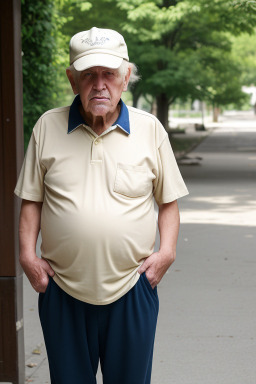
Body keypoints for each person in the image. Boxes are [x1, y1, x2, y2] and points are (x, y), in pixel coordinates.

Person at [15, 27, 188, 384]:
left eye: (109, 74)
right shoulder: (47, 126)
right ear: (72, 79)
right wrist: (28, 258)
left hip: (132, 287)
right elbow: (32, 201)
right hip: (61, 289)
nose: (99, 84)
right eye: (88, 75)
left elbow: (168, 203)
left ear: (126, 77)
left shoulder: (150, 130)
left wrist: (166, 252)